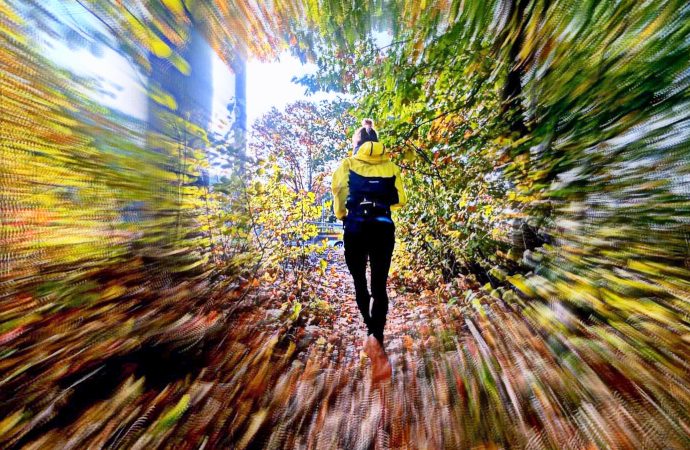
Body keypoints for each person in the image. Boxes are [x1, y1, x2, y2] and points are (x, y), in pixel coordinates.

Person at [331, 139, 407, 381]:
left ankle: (370, 330)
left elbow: (339, 190)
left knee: (360, 284)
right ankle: (376, 338)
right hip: (383, 227)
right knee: (379, 286)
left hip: (355, 227)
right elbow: (400, 200)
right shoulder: (392, 167)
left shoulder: (348, 163)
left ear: (358, 145)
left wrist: (342, 213)